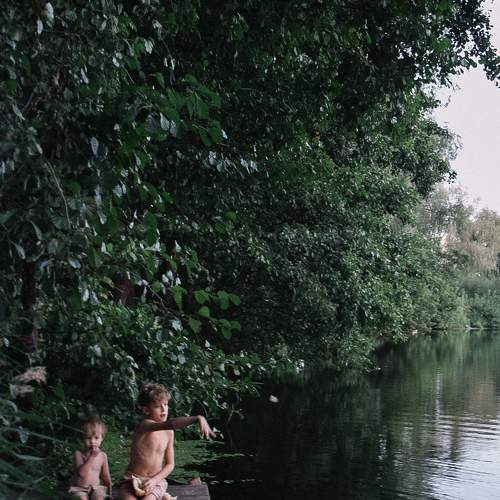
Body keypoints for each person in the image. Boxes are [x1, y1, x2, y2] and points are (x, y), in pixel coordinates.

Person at [118, 383, 215, 499]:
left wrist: (154, 480)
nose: (163, 409)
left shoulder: (169, 433)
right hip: (133, 478)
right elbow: (170, 424)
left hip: (156, 481)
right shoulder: (145, 425)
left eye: (166, 404)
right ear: (146, 410)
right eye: (157, 406)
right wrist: (197, 418)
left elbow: (170, 464)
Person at [69, 416, 112, 499]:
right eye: (88, 438)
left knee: (99, 497)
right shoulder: (78, 454)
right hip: (79, 489)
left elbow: (106, 476)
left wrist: (110, 493)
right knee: (80, 498)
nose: (92, 441)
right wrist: (92, 457)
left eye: (96, 438)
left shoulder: (102, 456)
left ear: (102, 439)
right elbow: (81, 474)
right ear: (83, 438)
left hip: (95, 488)